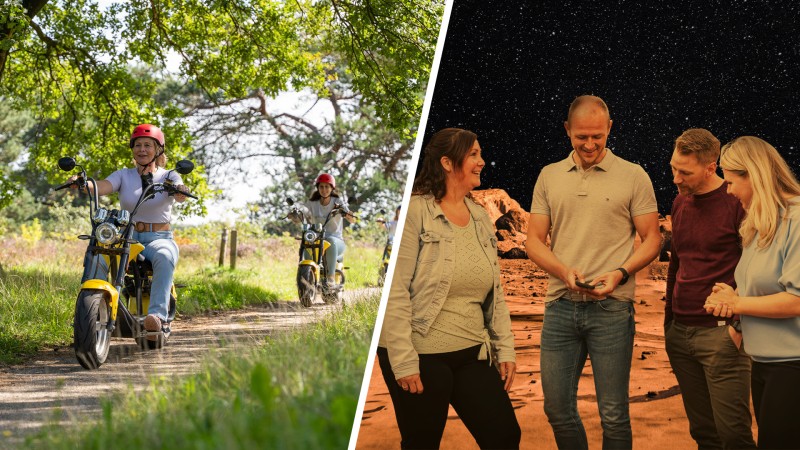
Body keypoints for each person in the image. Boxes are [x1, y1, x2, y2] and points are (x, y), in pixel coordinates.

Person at [525, 95, 661, 450]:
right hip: (560, 306)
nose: (589, 144)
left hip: (612, 309)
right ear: (567, 130)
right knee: (557, 409)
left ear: (610, 129)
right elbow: (534, 242)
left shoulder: (634, 176)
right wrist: (562, 269)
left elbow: (652, 240)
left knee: (613, 415)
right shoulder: (548, 176)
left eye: (597, 136)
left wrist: (620, 272)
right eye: (581, 136)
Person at [377, 128, 520, 449]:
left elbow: (494, 292)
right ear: (446, 162)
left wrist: (505, 347)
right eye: (473, 155)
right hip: (420, 354)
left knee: (504, 436)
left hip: (472, 352)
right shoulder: (416, 212)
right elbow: (395, 290)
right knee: (422, 442)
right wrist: (402, 360)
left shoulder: (481, 218)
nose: (482, 162)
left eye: (480, 154)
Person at [704, 136, 800, 449]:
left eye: (731, 182)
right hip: (763, 363)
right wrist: (731, 300)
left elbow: (797, 299)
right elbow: (757, 289)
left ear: (754, 175)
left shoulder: (797, 220)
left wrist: (738, 302)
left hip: (792, 366)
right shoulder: (760, 224)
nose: (728, 190)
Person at [665, 128, 755, 449]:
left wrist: (739, 328)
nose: (676, 177)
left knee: (734, 437)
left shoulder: (736, 204)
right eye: (673, 167)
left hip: (722, 337)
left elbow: (757, 270)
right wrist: (668, 326)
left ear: (710, 167)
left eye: (684, 171)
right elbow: (676, 263)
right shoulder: (680, 202)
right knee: (704, 435)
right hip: (680, 335)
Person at [78, 124, 188, 340]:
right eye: (138, 145)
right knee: (99, 253)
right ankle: (90, 308)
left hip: (158, 238)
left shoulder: (169, 176)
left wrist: (181, 191)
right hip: (126, 236)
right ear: (132, 149)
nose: (142, 149)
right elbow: (103, 186)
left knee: (165, 257)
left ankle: (157, 319)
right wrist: (85, 183)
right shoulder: (124, 175)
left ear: (158, 150)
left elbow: (181, 192)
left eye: (148, 145)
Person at [296, 173, 355, 291]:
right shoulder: (313, 202)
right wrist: (295, 213)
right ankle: (307, 275)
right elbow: (302, 211)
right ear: (318, 188)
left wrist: (347, 214)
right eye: (321, 187)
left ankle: (331, 277)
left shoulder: (337, 202)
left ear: (332, 188)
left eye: (327, 187)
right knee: (308, 242)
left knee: (331, 241)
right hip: (317, 238)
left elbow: (352, 220)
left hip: (336, 241)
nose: (324, 190)